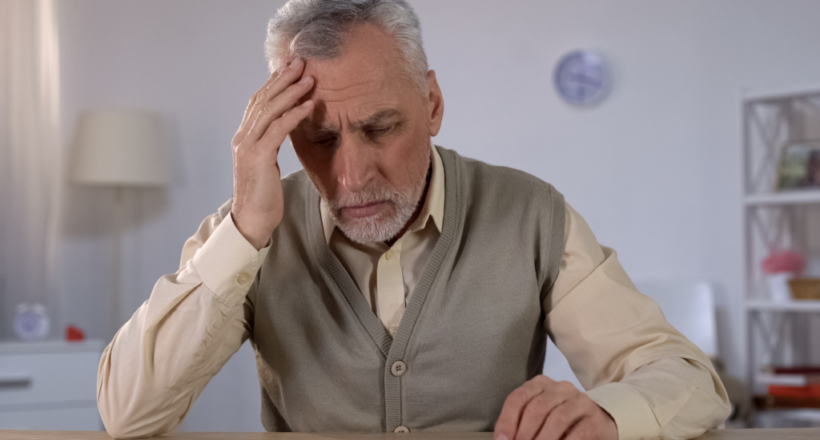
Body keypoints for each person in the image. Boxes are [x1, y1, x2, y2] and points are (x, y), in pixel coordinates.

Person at [96, 1, 730, 439]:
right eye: (318, 141)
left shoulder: (531, 214)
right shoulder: (249, 232)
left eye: (381, 128)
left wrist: (608, 415)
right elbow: (127, 414)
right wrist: (246, 233)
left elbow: (689, 380)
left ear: (431, 103)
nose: (352, 176)